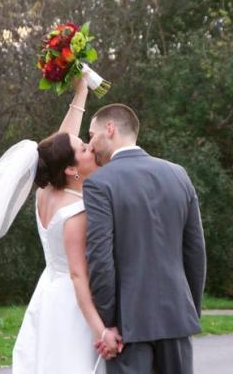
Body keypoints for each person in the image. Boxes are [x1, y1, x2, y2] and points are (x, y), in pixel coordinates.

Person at [84, 104, 206, 374]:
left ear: (110, 129)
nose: (90, 145)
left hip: (129, 326)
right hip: (176, 317)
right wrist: (188, 310)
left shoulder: (99, 183)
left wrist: (108, 324)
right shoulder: (178, 174)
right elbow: (195, 252)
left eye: (92, 135)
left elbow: (100, 260)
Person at [12, 77, 121, 374]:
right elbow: (78, 275)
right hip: (71, 305)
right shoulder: (76, 211)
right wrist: (101, 331)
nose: (91, 149)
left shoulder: (46, 191)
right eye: (85, 149)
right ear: (71, 169)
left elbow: (59, 144)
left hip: (47, 292)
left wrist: (81, 93)